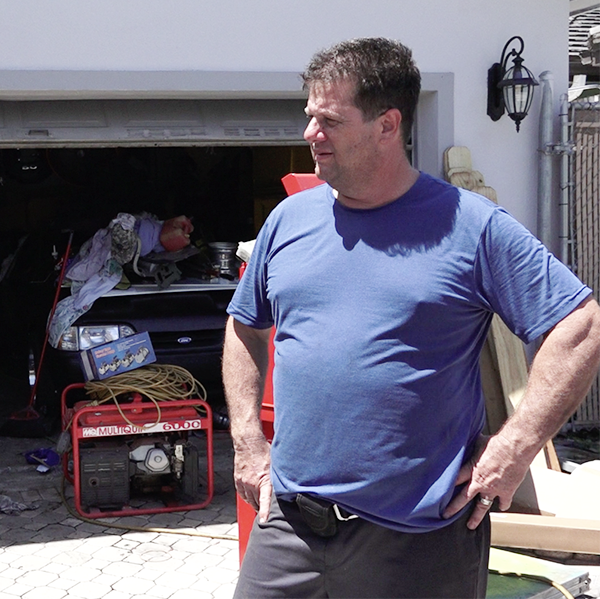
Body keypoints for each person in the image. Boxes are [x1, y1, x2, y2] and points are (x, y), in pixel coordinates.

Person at [224, 38, 600, 599]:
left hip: (418, 541)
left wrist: (516, 446)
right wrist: (248, 442)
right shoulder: (288, 221)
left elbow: (581, 325)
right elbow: (245, 326)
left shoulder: (471, 227)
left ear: (387, 124)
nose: (310, 134)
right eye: (309, 116)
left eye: (329, 119)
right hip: (291, 530)